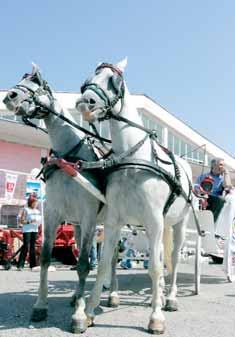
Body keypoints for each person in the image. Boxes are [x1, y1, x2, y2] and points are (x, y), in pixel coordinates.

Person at [17, 194, 41, 270]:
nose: (36, 204)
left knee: (33, 247)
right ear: (31, 202)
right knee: (26, 246)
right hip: (27, 230)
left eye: (37, 203)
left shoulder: (37, 211)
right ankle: (20, 265)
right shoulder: (25, 210)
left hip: (35, 229)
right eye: (35, 202)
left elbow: (39, 220)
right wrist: (30, 221)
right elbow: (21, 220)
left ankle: (33, 265)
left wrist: (39, 222)